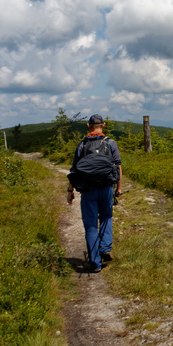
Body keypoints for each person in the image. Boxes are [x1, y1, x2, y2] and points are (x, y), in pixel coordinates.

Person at [66, 114, 122, 272]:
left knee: (91, 225)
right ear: (103, 125)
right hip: (106, 188)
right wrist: (118, 189)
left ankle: (95, 264)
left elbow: (74, 171)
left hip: (88, 191)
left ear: (88, 125)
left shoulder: (82, 145)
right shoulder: (110, 143)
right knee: (106, 217)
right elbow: (118, 167)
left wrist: (70, 191)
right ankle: (105, 248)